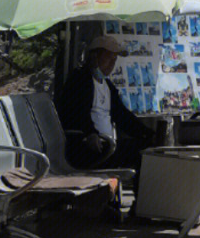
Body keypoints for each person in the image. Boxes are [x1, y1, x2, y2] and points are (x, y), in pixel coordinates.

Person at [55, 34, 153, 172]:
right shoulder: (80, 80)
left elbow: (122, 115)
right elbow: (77, 112)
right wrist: (90, 133)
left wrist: (147, 133)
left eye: (115, 59)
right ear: (94, 56)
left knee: (148, 150)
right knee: (136, 154)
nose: (112, 63)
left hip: (107, 145)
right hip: (85, 147)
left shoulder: (107, 85)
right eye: (108, 57)